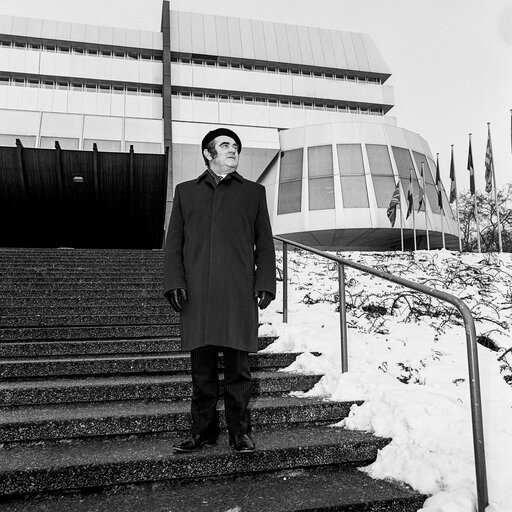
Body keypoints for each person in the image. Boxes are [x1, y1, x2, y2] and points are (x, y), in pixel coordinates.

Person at [163, 127, 276, 453]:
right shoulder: (186, 192)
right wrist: (174, 282)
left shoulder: (253, 193)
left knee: (239, 370)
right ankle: (203, 432)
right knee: (202, 370)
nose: (233, 150)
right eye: (225, 145)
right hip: (197, 295)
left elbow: (265, 244)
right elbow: (173, 246)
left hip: (238, 293)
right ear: (207, 154)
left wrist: (265, 282)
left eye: (236, 146)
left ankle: (239, 433)